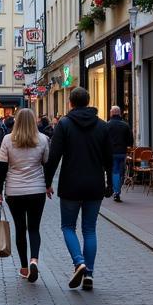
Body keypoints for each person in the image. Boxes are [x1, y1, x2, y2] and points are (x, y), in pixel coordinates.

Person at [44, 86, 112, 291]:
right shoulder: (102, 126)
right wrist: (111, 184)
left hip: (71, 184)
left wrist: (47, 181)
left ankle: (78, 261)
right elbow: (109, 158)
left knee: (68, 227)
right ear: (88, 101)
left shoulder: (64, 124)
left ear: (71, 103)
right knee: (90, 229)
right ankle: (89, 273)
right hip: (94, 184)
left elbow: (54, 156)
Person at [0, 108, 50, 282]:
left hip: (14, 191)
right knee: (34, 228)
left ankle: (25, 267)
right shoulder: (42, 139)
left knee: (20, 229)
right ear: (34, 120)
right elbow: (46, 165)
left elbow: (1, 168)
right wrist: (48, 185)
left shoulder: (7, 140)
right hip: (37, 190)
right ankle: (34, 259)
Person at [106, 105, 134, 202]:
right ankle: (117, 190)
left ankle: (116, 191)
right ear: (120, 113)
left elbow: (103, 140)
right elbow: (130, 141)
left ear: (111, 113)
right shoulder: (125, 125)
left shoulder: (107, 125)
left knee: (115, 171)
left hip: (111, 153)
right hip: (122, 152)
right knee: (121, 172)